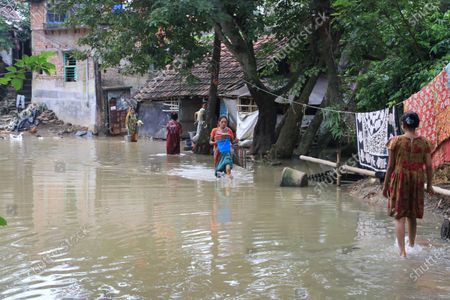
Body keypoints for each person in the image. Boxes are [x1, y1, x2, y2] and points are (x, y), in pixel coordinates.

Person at [383, 111, 434, 258]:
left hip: (400, 179)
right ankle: (412, 246)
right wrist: (429, 185)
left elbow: (390, 166)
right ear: (417, 125)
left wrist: (385, 186)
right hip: (417, 179)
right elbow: (429, 167)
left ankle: (402, 252)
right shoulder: (424, 142)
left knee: (400, 216)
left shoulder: (396, 141)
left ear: (402, 125)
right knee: (411, 214)